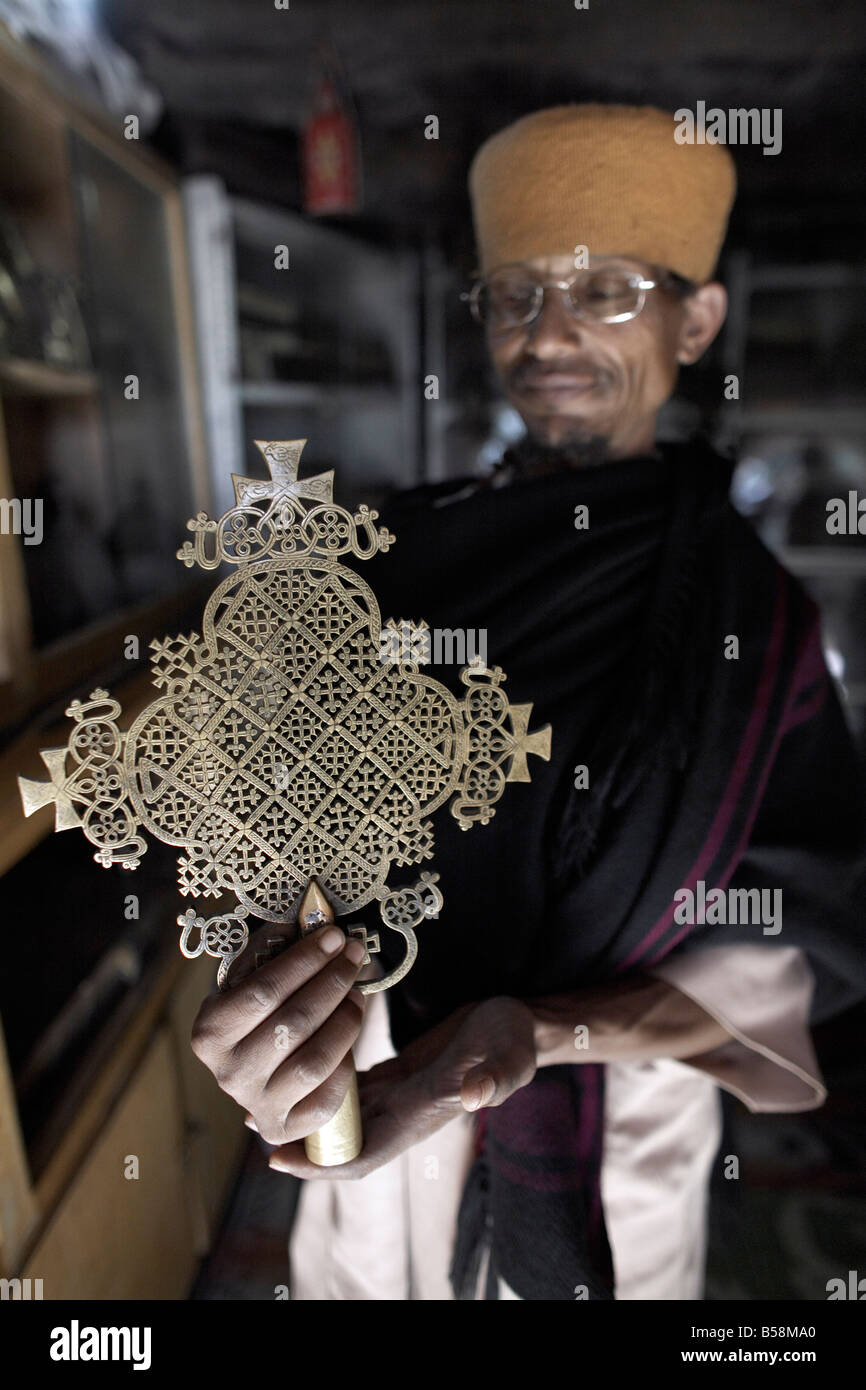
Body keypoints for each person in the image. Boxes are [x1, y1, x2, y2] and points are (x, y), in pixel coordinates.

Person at [190, 104, 866, 1300]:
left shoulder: (755, 623)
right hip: (378, 1109)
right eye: (513, 294)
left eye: (605, 289)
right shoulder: (388, 555)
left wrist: (541, 1030)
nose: (549, 331)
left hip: (620, 1133)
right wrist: (269, 994)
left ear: (695, 318)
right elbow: (282, 833)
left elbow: (785, 946)